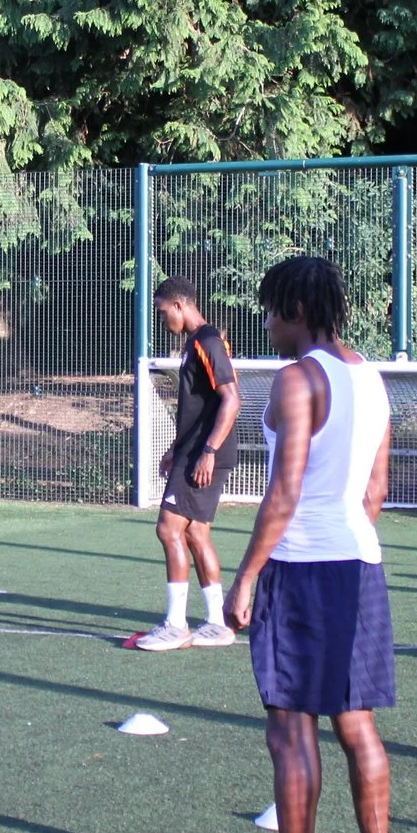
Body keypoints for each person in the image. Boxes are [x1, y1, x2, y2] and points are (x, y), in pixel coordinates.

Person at [216, 256, 397, 833]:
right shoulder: (372, 379)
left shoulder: (298, 380)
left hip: (301, 568)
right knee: (358, 724)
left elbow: (285, 493)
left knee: (291, 728)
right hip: (359, 561)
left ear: (295, 309)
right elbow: (375, 491)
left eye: (270, 310)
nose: (266, 324)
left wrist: (246, 576)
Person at [134, 277, 242, 651]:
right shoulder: (198, 341)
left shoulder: (208, 341)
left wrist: (208, 451)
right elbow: (203, 406)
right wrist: (174, 449)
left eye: (163, 311)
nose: (163, 319)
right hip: (195, 450)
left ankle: (177, 625)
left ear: (180, 305)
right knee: (195, 534)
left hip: (205, 455)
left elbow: (231, 400)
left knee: (168, 529)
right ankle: (216, 624)